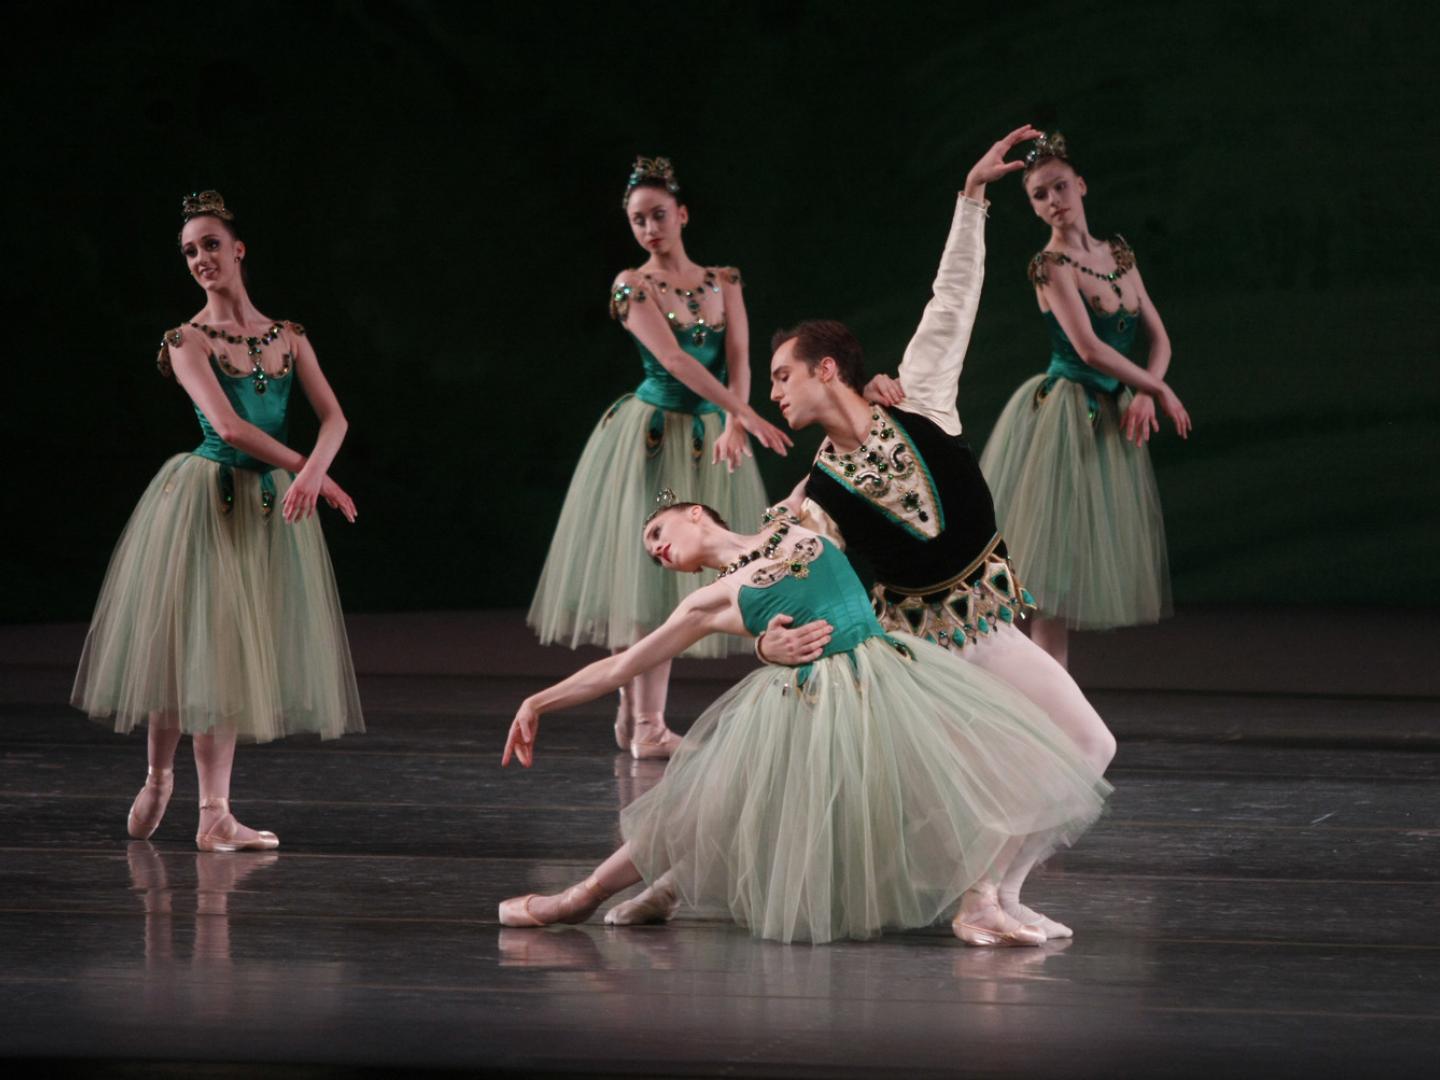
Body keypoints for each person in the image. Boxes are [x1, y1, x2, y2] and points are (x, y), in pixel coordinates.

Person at [693, 124, 1121, 941]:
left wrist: (971, 198)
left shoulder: (917, 395)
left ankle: (991, 897)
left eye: (782, 375)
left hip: (984, 628)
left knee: (1089, 745)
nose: (773, 392)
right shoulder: (813, 497)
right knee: (985, 778)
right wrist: (753, 629)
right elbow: (760, 569)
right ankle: (979, 901)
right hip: (919, 663)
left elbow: (951, 297)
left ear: (828, 370)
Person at [500, 498, 1109, 946]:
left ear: (694, 513)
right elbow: (622, 666)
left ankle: (992, 898)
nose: (658, 549)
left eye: (658, 531)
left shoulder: (795, 517)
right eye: (652, 552)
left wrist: (871, 387)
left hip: (892, 674)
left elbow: (839, 446)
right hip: (811, 705)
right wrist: (537, 703)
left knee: (981, 773)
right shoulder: (708, 602)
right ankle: (581, 897)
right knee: (704, 806)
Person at [71, 190, 364, 852]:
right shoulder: (186, 340)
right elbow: (229, 425)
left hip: (266, 506)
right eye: (189, 251)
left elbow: (335, 417)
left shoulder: (288, 336)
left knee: (229, 652)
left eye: (209, 244)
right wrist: (309, 470)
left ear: (238, 248)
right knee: (187, 646)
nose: (200, 258)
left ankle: (214, 815)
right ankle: (157, 776)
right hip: (205, 498)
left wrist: (312, 472)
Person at [527, 156, 791, 760]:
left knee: (685, 580)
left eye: (659, 215)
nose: (649, 229)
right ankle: (647, 725)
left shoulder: (725, 280)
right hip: (650, 438)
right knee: (654, 578)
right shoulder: (632, 285)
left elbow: (741, 355)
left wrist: (733, 419)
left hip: (708, 436)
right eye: (638, 220)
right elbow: (676, 361)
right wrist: (747, 415)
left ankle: (636, 717)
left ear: (683, 214)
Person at [978, 132, 1190, 668]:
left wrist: (1144, 388)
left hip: (1111, 415)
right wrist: (1153, 387)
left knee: (1070, 575)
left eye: (1061, 187)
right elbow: (1091, 349)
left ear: (1082, 186)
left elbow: (1159, 339)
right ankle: (1039, 709)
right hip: (1066, 413)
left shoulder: (1115, 253)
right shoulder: (1049, 266)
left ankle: (1051, 712)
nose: (1054, 201)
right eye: (1040, 195)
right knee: (1049, 579)